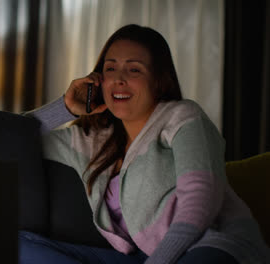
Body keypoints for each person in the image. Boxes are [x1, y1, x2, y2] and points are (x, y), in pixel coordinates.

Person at [20, 24, 270, 264]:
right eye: (110, 68)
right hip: (140, 257)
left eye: (134, 70)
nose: (118, 79)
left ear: (159, 80)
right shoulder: (90, 140)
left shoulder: (183, 116)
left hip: (213, 245)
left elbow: (200, 201)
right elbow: (11, 136)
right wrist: (65, 108)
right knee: (19, 245)